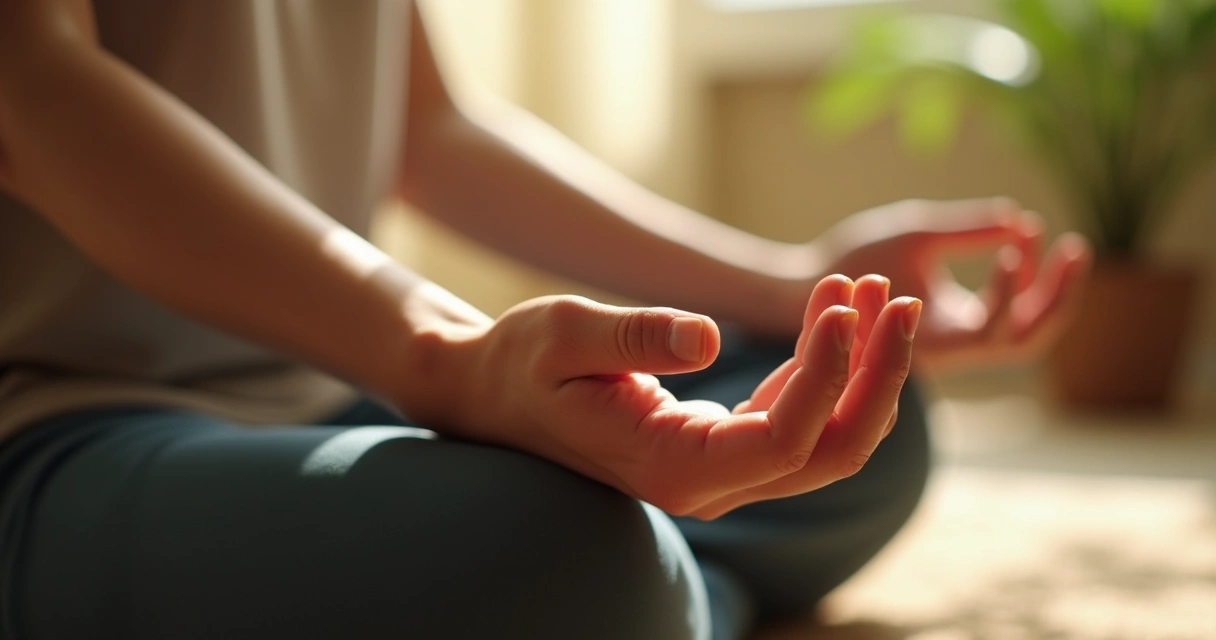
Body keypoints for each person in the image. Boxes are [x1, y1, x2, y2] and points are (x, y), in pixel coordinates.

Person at [0, 2, 1091, 639]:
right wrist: (448, 358)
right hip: (62, 419)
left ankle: (647, 598)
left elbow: (431, 131)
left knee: (866, 424)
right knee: (574, 553)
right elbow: (31, 90)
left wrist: (785, 286)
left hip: (332, 386)